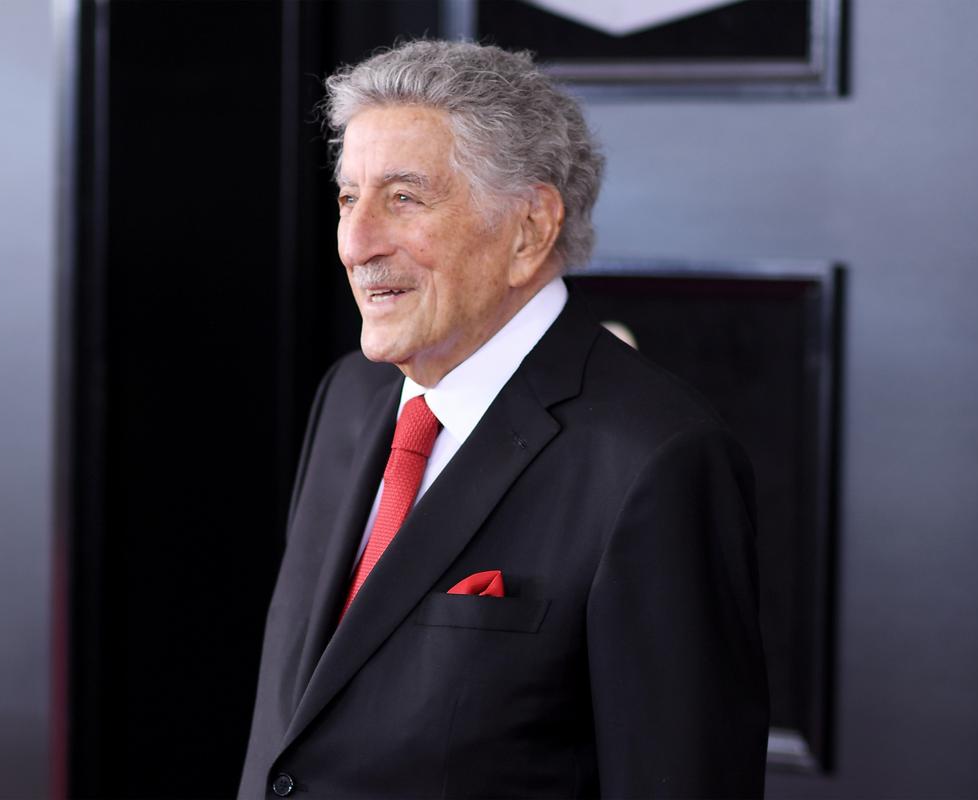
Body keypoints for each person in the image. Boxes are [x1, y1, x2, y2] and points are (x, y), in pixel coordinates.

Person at [240, 40, 769, 799]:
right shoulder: (351, 396)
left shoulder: (658, 459)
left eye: (404, 198)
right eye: (349, 198)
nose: (355, 244)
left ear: (529, 229)